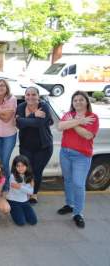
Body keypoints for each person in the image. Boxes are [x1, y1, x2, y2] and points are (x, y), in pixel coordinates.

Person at [57, 91, 99, 228]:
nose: (78, 102)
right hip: (65, 153)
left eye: (81, 99)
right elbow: (60, 126)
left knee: (78, 184)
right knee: (68, 180)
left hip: (81, 156)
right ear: (72, 103)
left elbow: (87, 135)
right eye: (75, 100)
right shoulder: (68, 115)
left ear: (87, 102)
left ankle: (78, 213)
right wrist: (79, 121)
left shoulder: (93, 117)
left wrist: (72, 123)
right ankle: (69, 204)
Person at [16, 86, 53, 204]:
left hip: (43, 147)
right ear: (25, 96)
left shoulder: (44, 106)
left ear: (38, 96)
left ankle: (34, 193)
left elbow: (38, 123)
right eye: (28, 94)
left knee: (37, 171)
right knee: (27, 171)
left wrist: (23, 119)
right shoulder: (21, 107)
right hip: (26, 147)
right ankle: (27, 191)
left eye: (33, 94)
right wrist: (33, 116)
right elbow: (19, 124)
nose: (30, 97)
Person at [7, 155, 37, 226]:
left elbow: (31, 192)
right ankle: (13, 210)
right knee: (21, 223)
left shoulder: (30, 176)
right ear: (15, 167)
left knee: (33, 221)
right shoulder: (12, 176)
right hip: (14, 201)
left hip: (25, 201)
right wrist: (25, 188)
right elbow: (19, 191)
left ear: (27, 166)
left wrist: (19, 186)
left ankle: (22, 212)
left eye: (23, 166)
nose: (20, 168)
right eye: (18, 166)